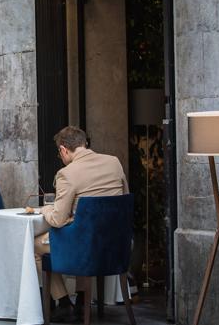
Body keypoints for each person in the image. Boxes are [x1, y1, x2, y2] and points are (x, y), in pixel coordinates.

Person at [34, 126, 128, 323]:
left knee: (34, 245)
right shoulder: (114, 163)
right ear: (84, 144)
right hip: (117, 243)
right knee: (83, 231)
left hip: (85, 246)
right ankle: (83, 299)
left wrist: (45, 209)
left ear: (63, 150)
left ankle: (63, 300)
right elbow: (123, 199)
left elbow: (58, 219)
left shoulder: (67, 173)